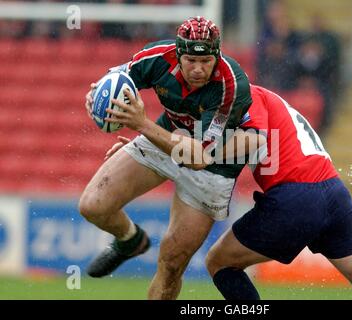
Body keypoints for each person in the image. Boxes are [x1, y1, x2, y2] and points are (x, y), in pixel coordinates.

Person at [79, 16, 254, 300]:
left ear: (217, 55)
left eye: (206, 61)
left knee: (171, 265)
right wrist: (97, 93)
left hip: (213, 166)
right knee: (93, 206)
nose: (198, 70)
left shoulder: (231, 86)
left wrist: (142, 125)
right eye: (190, 61)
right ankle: (130, 240)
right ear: (177, 53)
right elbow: (115, 80)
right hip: (165, 136)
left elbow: (199, 156)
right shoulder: (158, 57)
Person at [202, 85, 352, 300]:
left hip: (297, 199)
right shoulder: (272, 101)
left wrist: (205, 155)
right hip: (335, 197)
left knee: (219, 261)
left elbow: (253, 137)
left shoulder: (248, 97)